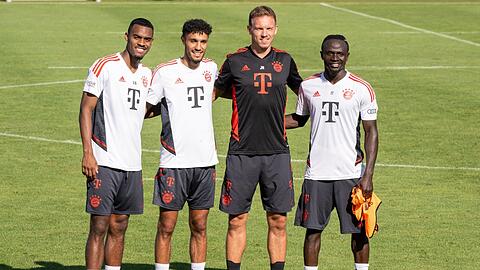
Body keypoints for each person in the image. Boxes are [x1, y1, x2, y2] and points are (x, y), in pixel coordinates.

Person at [214, 6, 303, 270]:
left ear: (275, 29)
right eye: (258, 28)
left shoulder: (285, 60)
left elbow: (307, 94)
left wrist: (296, 120)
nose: (264, 34)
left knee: (278, 219)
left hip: (277, 152)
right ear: (249, 29)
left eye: (268, 28)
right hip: (242, 152)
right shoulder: (234, 61)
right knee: (237, 219)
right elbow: (215, 92)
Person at [285, 34, 379, 270]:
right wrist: (265, 119)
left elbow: (371, 132)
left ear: (347, 56)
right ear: (322, 55)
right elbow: (299, 119)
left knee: (359, 231)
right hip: (317, 172)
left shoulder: (361, 88)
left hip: (350, 172)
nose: (334, 58)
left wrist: (367, 175)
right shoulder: (308, 86)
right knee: (313, 231)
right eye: (330, 53)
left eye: (339, 54)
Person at [79, 18, 154, 270]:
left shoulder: (147, 75)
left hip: (132, 163)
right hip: (104, 160)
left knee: (120, 224)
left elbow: (144, 110)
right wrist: (88, 153)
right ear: (127, 36)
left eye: (146, 39)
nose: (141, 43)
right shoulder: (105, 66)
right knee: (99, 226)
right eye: (137, 37)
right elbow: (86, 109)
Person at [145, 19, 218, 270]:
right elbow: (146, 108)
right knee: (166, 225)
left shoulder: (212, 68)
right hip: (174, 161)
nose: (198, 47)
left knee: (199, 225)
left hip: (205, 162)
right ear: (184, 40)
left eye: (203, 42)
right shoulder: (165, 71)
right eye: (193, 41)